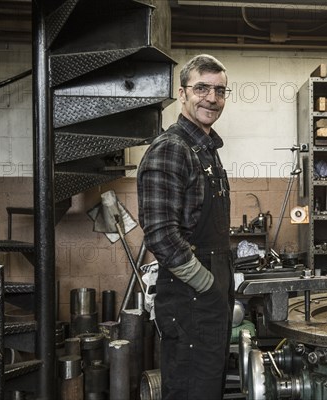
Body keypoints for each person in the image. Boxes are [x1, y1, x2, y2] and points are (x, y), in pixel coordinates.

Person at [137, 54, 234, 400]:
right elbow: (161, 235)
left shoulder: (205, 149)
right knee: (191, 389)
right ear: (182, 94)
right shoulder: (171, 149)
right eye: (202, 88)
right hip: (191, 298)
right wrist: (206, 284)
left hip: (208, 297)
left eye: (220, 90)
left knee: (207, 387)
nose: (212, 98)